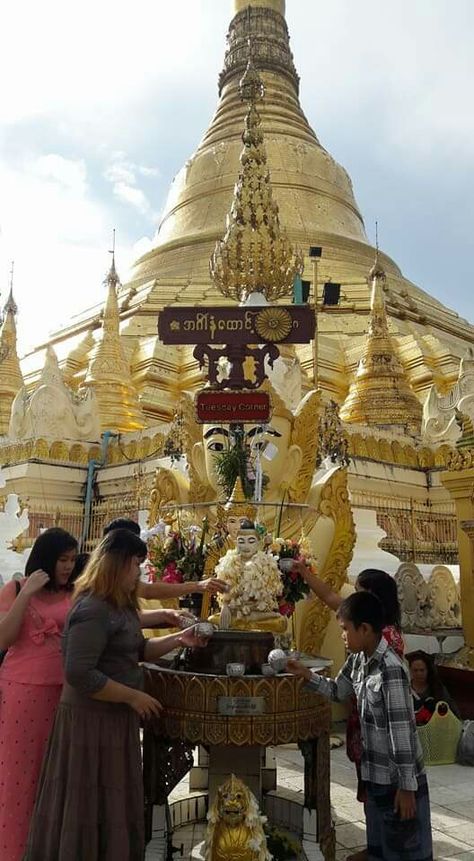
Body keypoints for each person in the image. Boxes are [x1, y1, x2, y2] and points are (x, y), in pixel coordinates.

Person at [24, 528, 210, 860]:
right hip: (88, 722)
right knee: (85, 806)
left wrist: (180, 639)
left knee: (109, 804)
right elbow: (79, 673)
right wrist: (132, 697)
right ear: (118, 565)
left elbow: (137, 649)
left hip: (112, 719)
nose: (138, 572)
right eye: (135, 564)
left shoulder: (119, 605)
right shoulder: (93, 608)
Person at [287, 592, 433, 861]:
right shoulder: (357, 660)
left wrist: (407, 788)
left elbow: (400, 734)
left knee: (405, 851)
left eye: (345, 629)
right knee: (380, 848)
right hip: (374, 776)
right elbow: (338, 691)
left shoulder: (391, 668)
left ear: (365, 629)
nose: (342, 635)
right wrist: (307, 675)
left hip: (397, 781)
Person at [0, 527, 78, 861]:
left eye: (73, 560)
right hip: (22, 693)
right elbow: (3, 639)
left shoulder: (74, 592)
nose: (68, 567)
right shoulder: (16, 587)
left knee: (57, 779)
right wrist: (25, 593)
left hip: (64, 695)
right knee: (18, 778)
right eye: (63, 559)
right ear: (46, 557)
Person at [103, 517, 228, 617]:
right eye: (136, 563)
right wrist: (197, 586)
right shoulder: (98, 592)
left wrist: (170, 617)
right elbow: (148, 592)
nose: (137, 572)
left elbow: (143, 599)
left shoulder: (118, 578)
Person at [407, 650, 460, 724]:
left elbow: (451, 708)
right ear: (410, 670)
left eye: (422, 670)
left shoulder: (437, 688)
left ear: (427, 670)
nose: (419, 673)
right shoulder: (406, 690)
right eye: (415, 670)